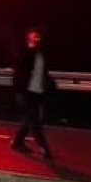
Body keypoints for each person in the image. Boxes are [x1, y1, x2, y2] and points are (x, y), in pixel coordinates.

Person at [10, 27, 54, 158]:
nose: (36, 39)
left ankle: (17, 142)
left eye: (38, 36)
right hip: (24, 91)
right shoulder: (24, 53)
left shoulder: (42, 54)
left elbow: (43, 73)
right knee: (34, 120)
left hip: (37, 91)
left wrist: (48, 87)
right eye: (33, 36)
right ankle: (44, 148)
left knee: (29, 119)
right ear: (28, 38)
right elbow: (19, 70)